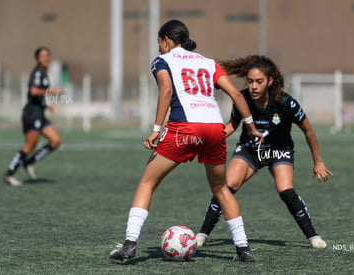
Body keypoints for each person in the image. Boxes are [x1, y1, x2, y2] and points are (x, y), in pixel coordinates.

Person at [109, 20, 263, 262]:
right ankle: (244, 249)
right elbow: (235, 94)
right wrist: (251, 126)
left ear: (167, 41)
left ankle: (129, 244)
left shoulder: (163, 61)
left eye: (159, 42)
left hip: (185, 128)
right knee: (221, 189)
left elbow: (166, 91)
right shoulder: (207, 62)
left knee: (147, 183)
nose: (159, 47)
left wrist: (156, 129)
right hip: (214, 128)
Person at [195, 55, 333, 249]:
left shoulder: (286, 103)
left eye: (259, 82)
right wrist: (209, 139)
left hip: (279, 151)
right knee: (227, 186)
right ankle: (202, 235)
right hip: (250, 150)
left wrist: (318, 161)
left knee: (285, 190)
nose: (253, 86)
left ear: (269, 81)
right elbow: (232, 125)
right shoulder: (242, 98)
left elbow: (308, 131)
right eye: (250, 82)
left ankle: (313, 236)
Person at [3, 47, 62, 186]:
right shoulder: (37, 73)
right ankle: (9, 174)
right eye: (43, 56)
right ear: (37, 58)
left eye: (48, 55)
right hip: (31, 114)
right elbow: (33, 91)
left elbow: (37, 95)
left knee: (55, 141)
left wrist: (45, 105)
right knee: (29, 147)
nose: (46, 58)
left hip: (39, 113)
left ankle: (29, 163)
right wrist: (52, 91)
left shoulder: (44, 73)